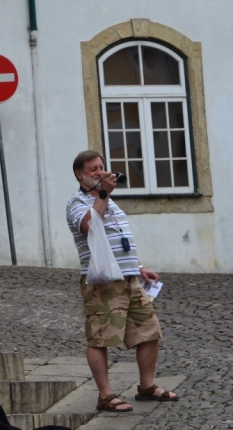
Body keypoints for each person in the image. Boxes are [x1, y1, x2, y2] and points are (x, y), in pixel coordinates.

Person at [66, 150, 178, 412]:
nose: (100, 172)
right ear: (79, 174)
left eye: (102, 167)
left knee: (149, 332)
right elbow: (88, 227)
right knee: (100, 338)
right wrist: (103, 194)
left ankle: (146, 387)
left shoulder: (109, 202)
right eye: (93, 169)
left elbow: (117, 242)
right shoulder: (77, 203)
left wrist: (138, 268)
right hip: (102, 281)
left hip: (129, 279)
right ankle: (106, 396)